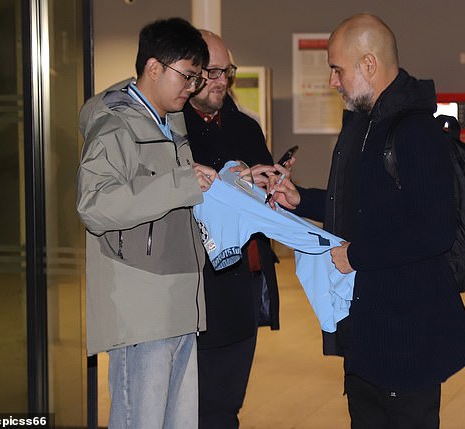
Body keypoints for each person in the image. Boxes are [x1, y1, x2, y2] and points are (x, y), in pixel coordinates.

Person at [266, 13, 465, 429]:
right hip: (367, 333)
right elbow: (359, 205)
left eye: (337, 69)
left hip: (407, 338)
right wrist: (302, 199)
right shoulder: (365, 124)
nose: (332, 81)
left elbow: (434, 230)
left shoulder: (415, 131)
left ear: (368, 65)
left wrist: (358, 256)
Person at [76, 18, 217, 429]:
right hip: (141, 307)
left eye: (196, 78)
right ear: (154, 67)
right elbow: (94, 205)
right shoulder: (113, 125)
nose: (192, 87)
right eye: (187, 76)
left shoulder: (171, 123)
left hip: (180, 300)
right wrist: (181, 183)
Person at [182, 30, 280, 429]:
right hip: (198, 291)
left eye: (228, 71)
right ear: (190, 73)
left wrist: (271, 184)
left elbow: (267, 200)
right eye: (214, 71)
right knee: (195, 407)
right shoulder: (173, 131)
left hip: (243, 286)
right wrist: (230, 185)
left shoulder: (245, 127)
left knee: (226, 406)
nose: (223, 80)